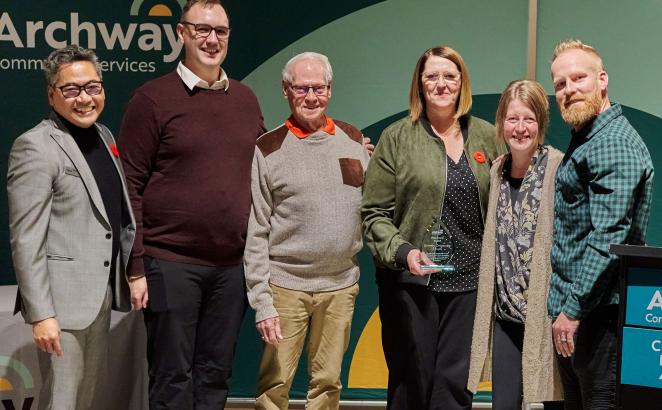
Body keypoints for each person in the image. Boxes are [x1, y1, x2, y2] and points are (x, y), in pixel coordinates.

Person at [117, 1, 265, 408]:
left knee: (216, 375)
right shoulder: (151, 99)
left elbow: (274, 164)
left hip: (232, 268)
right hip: (169, 262)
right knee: (172, 376)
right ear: (181, 33)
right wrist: (136, 265)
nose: (212, 39)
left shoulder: (246, 100)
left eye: (220, 31)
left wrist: (345, 143)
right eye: (202, 29)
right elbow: (128, 184)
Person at [361, 45, 505, 410]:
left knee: (455, 385)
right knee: (412, 383)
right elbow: (373, 214)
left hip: (470, 283)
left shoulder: (488, 136)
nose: (441, 84)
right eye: (432, 76)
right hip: (411, 283)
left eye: (450, 76)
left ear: (462, 83)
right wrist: (404, 252)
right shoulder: (397, 138)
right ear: (420, 85)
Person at [7, 44, 143, 409]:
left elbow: (118, 213)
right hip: (61, 308)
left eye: (92, 87)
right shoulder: (35, 146)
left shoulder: (105, 136)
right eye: (71, 89)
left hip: (96, 298)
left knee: (84, 400)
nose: (84, 98)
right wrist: (43, 315)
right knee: (62, 402)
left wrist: (134, 269)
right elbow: (26, 238)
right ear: (52, 95)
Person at [244, 51, 370, 410]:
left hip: (340, 286)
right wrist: (262, 302)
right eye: (302, 88)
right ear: (286, 90)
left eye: (319, 88)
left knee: (328, 383)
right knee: (275, 384)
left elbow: (373, 200)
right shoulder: (268, 149)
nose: (311, 97)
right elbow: (256, 230)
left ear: (330, 90)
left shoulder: (352, 140)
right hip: (285, 287)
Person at [548, 39, 654, 409]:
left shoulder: (612, 143)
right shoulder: (588, 139)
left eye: (579, 78)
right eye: (560, 84)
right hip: (582, 316)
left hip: (597, 318)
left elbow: (608, 237)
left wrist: (572, 310)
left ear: (602, 80)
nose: (569, 90)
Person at [467, 80, 564, 409]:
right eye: (512, 119)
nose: (520, 128)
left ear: (541, 124)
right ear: (500, 123)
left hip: (547, 320)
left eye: (529, 119)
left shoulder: (558, 168)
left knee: (553, 402)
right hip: (506, 318)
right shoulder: (496, 171)